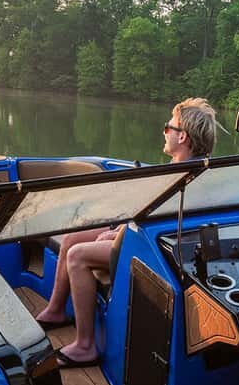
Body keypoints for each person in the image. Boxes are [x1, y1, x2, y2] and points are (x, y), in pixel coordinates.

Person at [38, 97, 218, 367]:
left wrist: (115, 236)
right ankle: (55, 311)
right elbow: (146, 216)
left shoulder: (181, 180)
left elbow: (152, 226)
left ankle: (85, 345)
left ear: (182, 137)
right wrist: (117, 232)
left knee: (77, 255)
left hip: (151, 252)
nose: (164, 132)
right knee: (73, 238)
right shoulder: (187, 172)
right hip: (142, 238)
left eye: (168, 127)